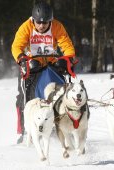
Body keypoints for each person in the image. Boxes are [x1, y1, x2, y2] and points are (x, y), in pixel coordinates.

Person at [11, 1, 76, 143]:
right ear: (33, 20)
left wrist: (68, 59)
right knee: (23, 97)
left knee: (62, 93)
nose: (41, 26)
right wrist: (22, 59)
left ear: (50, 21)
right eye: (38, 23)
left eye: (45, 23)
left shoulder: (57, 26)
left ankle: (64, 126)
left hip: (51, 64)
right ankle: (24, 131)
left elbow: (67, 45)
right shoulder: (26, 26)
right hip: (30, 66)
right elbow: (17, 46)